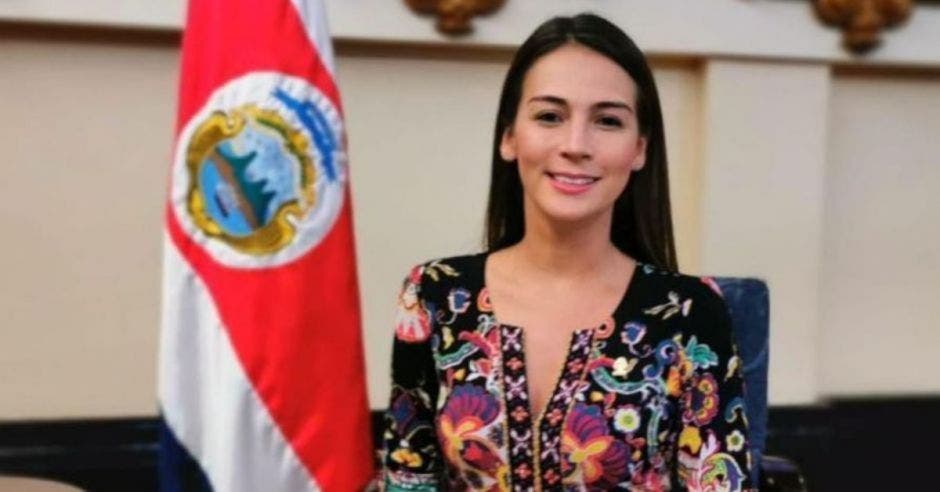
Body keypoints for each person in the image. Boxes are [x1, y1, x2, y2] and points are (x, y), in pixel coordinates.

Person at [382, 13, 752, 491]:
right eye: (550, 116)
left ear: (639, 149)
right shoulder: (434, 294)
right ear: (510, 136)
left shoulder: (691, 314)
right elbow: (407, 476)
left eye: (607, 121)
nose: (576, 145)